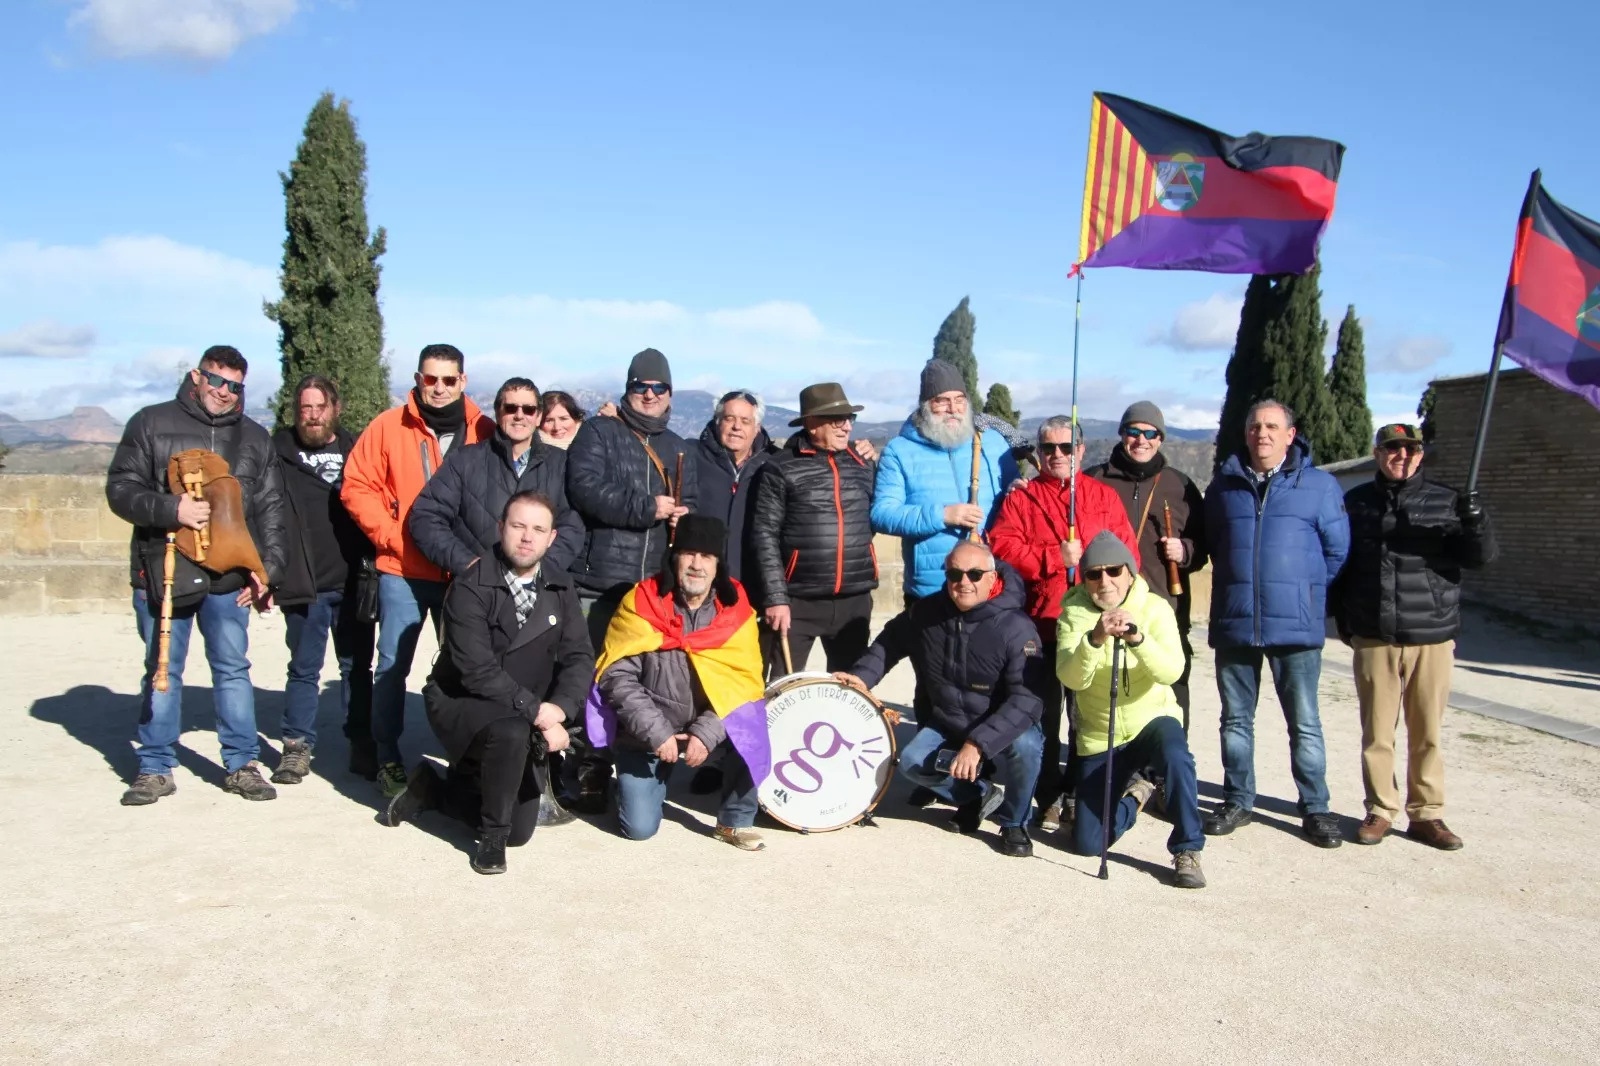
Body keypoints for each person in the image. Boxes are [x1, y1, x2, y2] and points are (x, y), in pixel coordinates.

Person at [106, 345, 287, 806]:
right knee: (163, 669)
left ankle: (242, 763)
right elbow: (121, 489)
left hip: (228, 578)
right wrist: (172, 508)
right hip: (165, 570)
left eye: (234, 386)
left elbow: (270, 510)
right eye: (217, 380)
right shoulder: (150, 422)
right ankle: (155, 766)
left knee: (232, 670)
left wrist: (269, 570)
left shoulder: (254, 437)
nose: (224, 392)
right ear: (197, 376)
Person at [383, 492, 594, 874]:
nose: (527, 537)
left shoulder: (560, 587)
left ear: (551, 538)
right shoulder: (470, 585)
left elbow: (579, 656)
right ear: (501, 529)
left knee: (523, 828)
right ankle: (492, 839)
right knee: (511, 734)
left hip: (525, 706)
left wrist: (562, 707)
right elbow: (475, 669)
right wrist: (540, 715)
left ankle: (437, 789)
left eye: (538, 529)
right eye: (518, 526)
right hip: (463, 700)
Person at [1332, 423, 1497, 850]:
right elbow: (1341, 564)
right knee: (1377, 732)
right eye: (1392, 448)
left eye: (1410, 449)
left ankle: (1427, 814)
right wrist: (1343, 620)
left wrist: (1475, 523)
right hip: (1375, 634)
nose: (1401, 455)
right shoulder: (1356, 503)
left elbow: (1479, 558)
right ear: (1378, 452)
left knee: (1427, 731)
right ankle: (1380, 809)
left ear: (1420, 454)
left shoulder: (1448, 501)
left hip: (1432, 635)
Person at [341, 343, 496, 797]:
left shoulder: (483, 429)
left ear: (463, 382)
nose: (440, 388)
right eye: (432, 379)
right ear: (418, 379)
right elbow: (357, 485)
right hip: (404, 571)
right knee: (392, 666)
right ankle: (387, 755)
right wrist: (392, 536)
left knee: (468, 668)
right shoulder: (389, 426)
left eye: (449, 380)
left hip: (463, 575)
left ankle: (466, 759)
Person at [836, 542, 1046, 857]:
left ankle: (1014, 822)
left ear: (991, 578)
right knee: (910, 763)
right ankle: (976, 796)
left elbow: (1026, 700)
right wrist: (862, 677)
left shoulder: (1015, 627)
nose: (964, 582)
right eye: (954, 574)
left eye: (975, 574)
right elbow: (889, 643)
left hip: (999, 721)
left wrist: (977, 744)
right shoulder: (926, 612)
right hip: (949, 718)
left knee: (1027, 746)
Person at [1203, 399, 1350, 848]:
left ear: (1291, 434)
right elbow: (1214, 544)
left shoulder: (1320, 487)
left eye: (1271, 426)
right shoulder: (1223, 487)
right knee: (1235, 720)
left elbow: (1336, 551)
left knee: (1304, 721)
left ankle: (1316, 807)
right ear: (1245, 434)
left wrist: (1302, 593)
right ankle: (1237, 798)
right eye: (1254, 426)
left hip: (1296, 626)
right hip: (1237, 621)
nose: (1261, 433)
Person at [565, 348, 698, 811]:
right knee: (591, 682)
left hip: (655, 592)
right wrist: (649, 508)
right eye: (640, 386)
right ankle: (589, 769)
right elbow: (584, 489)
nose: (648, 394)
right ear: (627, 389)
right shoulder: (599, 432)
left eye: (657, 387)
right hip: (599, 582)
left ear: (669, 394)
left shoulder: (681, 447)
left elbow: (695, 504)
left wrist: (685, 516)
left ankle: (639, 767)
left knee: (644, 686)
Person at [990, 415, 1137, 831]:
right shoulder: (1021, 498)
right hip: (1038, 624)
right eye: (1048, 447)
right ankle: (1047, 794)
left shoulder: (1103, 497)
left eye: (1066, 447)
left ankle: (1078, 791)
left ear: (1081, 451)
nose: (1057, 455)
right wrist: (1055, 557)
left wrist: (1110, 597)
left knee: (1086, 717)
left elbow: (1128, 556)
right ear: (1038, 452)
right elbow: (1002, 549)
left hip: (1090, 626)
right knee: (1042, 715)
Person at [591, 515, 769, 851]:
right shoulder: (640, 602)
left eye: (707, 557)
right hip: (648, 735)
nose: (697, 565)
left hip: (708, 727)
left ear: (719, 565)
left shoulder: (736, 611)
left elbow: (744, 685)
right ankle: (637, 783)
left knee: (752, 723)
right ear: (674, 557)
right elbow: (616, 676)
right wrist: (657, 733)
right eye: (689, 553)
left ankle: (734, 820)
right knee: (639, 828)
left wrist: (705, 732)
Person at [1057, 532, 1205, 889]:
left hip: (1150, 718)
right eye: (1094, 574)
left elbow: (1172, 671)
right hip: (1100, 732)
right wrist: (1095, 639)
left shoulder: (1155, 608)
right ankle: (1139, 793)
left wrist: (1138, 639)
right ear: (1084, 578)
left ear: (1130, 572)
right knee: (1089, 845)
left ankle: (1188, 848)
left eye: (1113, 571)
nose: (1104, 581)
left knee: (1176, 755)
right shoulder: (1072, 614)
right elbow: (1071, 678)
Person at [271, 375, 377, 784]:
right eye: (305, 408)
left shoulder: (358, 452)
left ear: (336, 408)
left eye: (319, 407)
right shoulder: (276, 452)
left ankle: (361, 742)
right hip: (304, 580)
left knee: (357, 668)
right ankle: (296, 747)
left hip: (354, 583)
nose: (312, 416)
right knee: (303, 668)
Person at [1084, 401, 1207, 725]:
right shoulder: (1093, 480)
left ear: (1161, 438)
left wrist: (1186, 552)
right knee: (1094, 689)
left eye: (1150, 432)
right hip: (1101, 605)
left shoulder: (1180, 486)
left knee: (1170, 685)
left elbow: (1205, 543)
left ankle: (1165, 770)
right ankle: (1096, 769)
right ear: (1122, 434)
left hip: (1164, 606)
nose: (1142, 439)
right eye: (1133, 431)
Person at [749, 382, 879, 681]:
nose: (847, 427)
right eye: (838, 420)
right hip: (797, 604)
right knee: (784, 689)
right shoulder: (779, 468)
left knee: (851, 691)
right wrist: (775, 598)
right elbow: (764, 535)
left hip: (854, 601)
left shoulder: (864, 464)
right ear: (812, 423)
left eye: (850, 419)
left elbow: (874, 519)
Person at [409, 376, 585, 580]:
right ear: (497, 413)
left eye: (528, 409)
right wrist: (470, 566)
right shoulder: (465, 460)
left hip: (537, 592)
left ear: (538, 417)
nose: (519, 416)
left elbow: (572, 527)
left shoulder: (562, 465)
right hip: (474, 590)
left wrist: (538, 572)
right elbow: (426, 517)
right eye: (511, 408)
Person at [872, 359, 1017, 601]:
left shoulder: (993, 443)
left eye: (960, 399)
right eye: (942, 401)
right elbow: (883, 514)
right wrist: (942, 515)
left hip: (990, 585)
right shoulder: (898, 451)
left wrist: (1018, 490)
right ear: (925, 405)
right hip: (932, 589)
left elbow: (1015, 504)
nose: (953, 408)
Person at [690, 389, 778, 587]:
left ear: (757, 428)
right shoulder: (690, 454)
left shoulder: (773, 464)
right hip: (700, 579)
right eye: (729, 419)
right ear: (717, 421)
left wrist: (856, 451)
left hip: (752, 581)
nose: (737, 427)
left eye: (745, 421)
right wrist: (617, 423)